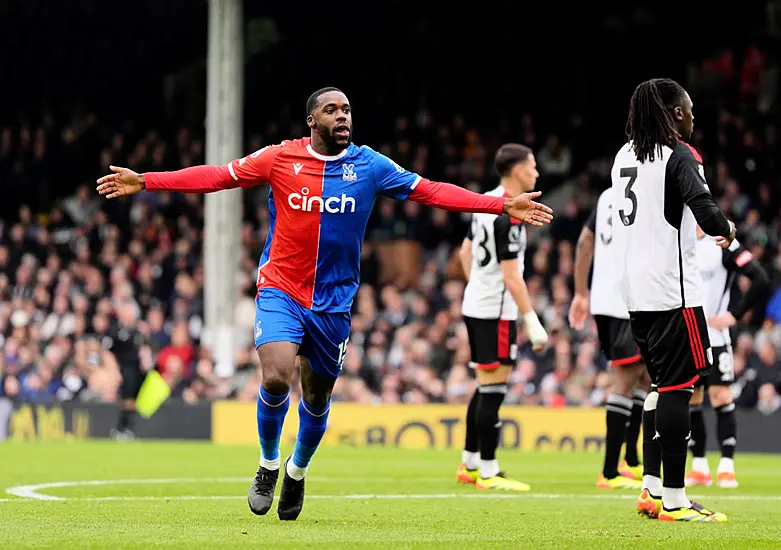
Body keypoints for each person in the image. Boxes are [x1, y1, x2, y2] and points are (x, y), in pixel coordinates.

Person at [96, 87, 554, 521]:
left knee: (316, 397)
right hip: (281, 289)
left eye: (348, 110)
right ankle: (269, 463)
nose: (343, 117)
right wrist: (147, 180)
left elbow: (431, 190)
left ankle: (296, 473)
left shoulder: (370, 166)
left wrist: (498, 206)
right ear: (311, 120)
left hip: (333, 303)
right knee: (276, 376)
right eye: (333, 110)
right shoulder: (280, 158)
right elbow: (219, 176)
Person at [612, 78, 735, 522]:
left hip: (635, 292)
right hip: (673, 291)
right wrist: (729, 229)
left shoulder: (623, 156)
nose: (693, 116)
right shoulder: (680, 155)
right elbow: (707, 213)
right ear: (675, 114)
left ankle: (650, 488)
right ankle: (676, 499)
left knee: (661, 386)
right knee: (680, 390)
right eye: (688, 109)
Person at [455, 143, 548, 492]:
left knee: (483, 386)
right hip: (495, 310)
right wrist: (532, 320)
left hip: (478, 303)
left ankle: (470, 463)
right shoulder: (509, 212)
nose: (536, 173)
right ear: (517, 171)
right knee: (494, 388)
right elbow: (511, 276)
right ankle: (489, 471)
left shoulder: (486, 202)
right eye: (532, 166)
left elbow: (464, 251)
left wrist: (477, 284)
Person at [569, 186, 649, 490]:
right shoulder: (644, 192)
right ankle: (609, 471)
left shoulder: (605, 196)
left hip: (606, 300)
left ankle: (630, 460)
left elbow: (585, 241)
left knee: (643, 376)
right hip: (624, 301)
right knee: (625, 379)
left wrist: (580, 291)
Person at [685, 225, 770, 488]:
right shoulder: (679, 240)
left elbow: (760, 279)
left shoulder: (721, 242)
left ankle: (726, 465)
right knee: (692, 399)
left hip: (715, 336)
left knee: (721, 395)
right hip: (687, 337)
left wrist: (735, 314)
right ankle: (699, 466)